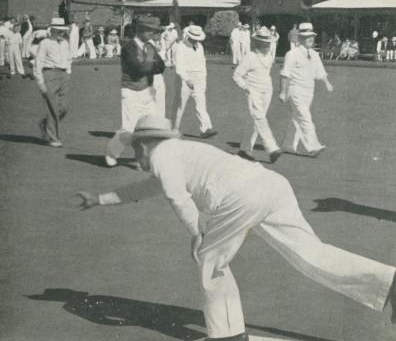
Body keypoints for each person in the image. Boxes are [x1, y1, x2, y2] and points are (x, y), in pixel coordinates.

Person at [77, 115, 396, 341]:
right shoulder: (180, 152)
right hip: (271, 185)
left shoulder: (162, 154)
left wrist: (197, 233)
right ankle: (388, 281)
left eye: (135, 148)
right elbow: (146, 189)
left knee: (210, 262)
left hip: (241, 197)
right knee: (313, 254)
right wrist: (100, 199)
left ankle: (227, 335)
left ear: (146, 144)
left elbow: (176, 197)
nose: (135, 154)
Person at [105, 15, 165, 167]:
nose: (153, 34)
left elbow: (161, 67)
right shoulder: (128, 47)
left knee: (150, 127)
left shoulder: (150, 47)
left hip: (148, 91)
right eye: (150, 30)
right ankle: (112, 152)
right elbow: (137, 68)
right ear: (140, 30)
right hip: (131, 92)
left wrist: (148, 63)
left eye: (154, 31)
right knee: (129, 129)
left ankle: (144, 158)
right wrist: (150, 63)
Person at [280, 22, 333, 157]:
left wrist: (327, 82)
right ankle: (313, 147)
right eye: (307, 37)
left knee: (297, 117)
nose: (311, 39)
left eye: (312, 36)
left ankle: (288, 145)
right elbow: (285, 74)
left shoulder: (314, 54)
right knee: (305, 117)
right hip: (295, 90)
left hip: (309, 91)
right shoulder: (292, 54)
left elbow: (320, 71)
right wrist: (283, 92)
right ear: (300, 38)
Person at [233, 27, 281, 163]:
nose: (267, 45)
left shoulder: (270, 57)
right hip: (253, 91)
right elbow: (237, 75)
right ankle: (272, 149)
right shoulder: (250, 57)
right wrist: (246, 87)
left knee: (255, 119)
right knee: (259, 118)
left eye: (269, 42)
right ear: (258, 43)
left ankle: (244, 150)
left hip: (267, 90)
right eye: (264, 43)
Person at [173, 25, 217, 138]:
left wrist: (204, 78)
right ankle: (174, 129)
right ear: (188, 36)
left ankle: (206, 128)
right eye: (194, 37)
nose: (196, 40)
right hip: (185, 77)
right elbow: (179, 65)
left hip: (199, 77)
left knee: (201, 103)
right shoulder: (180, 47)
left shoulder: (200, 46)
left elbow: (203, 63)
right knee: (180, 105)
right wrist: (186, 79)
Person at [34, 18, 71, 148]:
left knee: (64, 107)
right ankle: (53, 137)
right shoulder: (45, 43)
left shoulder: (65, 43)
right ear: (53, 30)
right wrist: (40, 82)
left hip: (63, 75)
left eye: (63, 30)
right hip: (49, 74)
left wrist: (68, 72)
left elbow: (69, 58)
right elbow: (38, 63)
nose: (62, 33)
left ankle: (45, 124)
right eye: (60, 30)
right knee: (51, 108)